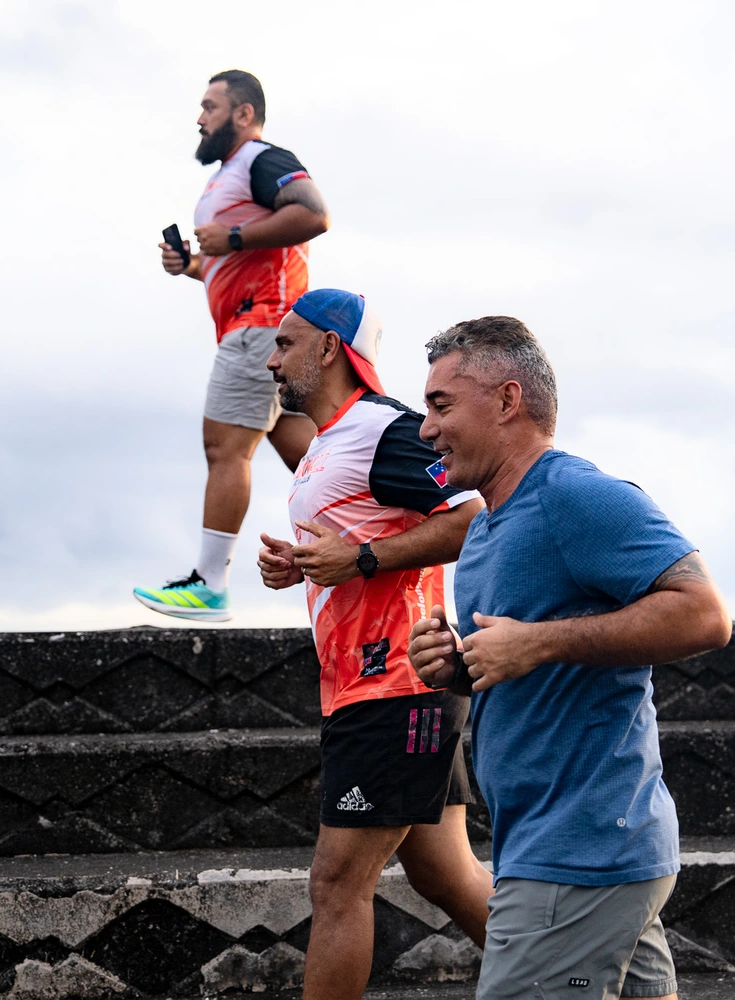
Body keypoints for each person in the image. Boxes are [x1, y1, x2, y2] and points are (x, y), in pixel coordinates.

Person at [407, 316, 732, 1000]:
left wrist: (538, 642)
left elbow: (705, 614)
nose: (425, 430)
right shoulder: (488, 527)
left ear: (506, 401)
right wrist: (458, 665)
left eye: (441, 406)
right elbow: (521, 657)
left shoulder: (576, 496)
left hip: (578, 859)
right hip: (575, 856)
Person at [256, 289, 494, 1000]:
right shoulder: (330, 443)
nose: (272, 360)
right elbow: (362, 538)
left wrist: (361, 559)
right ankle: (573, 983)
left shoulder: (385, 430)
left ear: (329, 348)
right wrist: (298, 563)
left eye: (285, 343)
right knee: (443, 873)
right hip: (376, 687)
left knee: (336, 883)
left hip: (395, 684)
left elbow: (471, 517)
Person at [134, 69, 330, 621]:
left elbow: (314, 213)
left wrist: (234, 237)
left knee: (225, 449)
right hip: (260, 326)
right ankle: (371, 548)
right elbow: (236, 265)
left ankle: (209, 585)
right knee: (316, 459)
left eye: (210, 106)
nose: (199, 118)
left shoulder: (261, 160)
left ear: (243, 114)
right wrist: (194, 264)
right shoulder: (227, 177)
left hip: (259, 329)